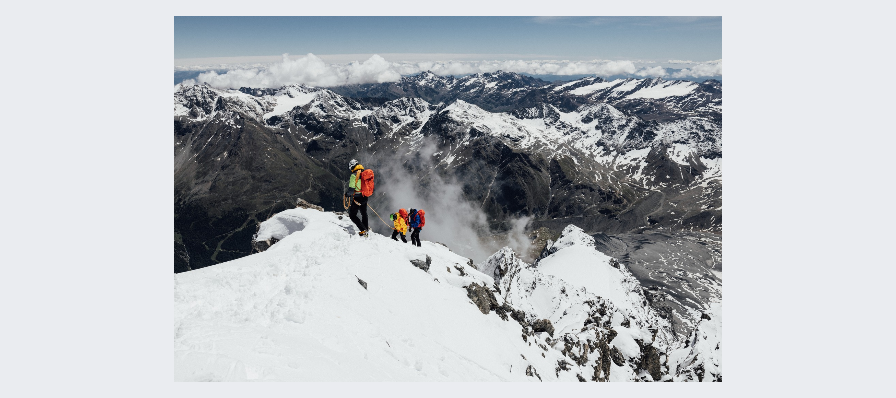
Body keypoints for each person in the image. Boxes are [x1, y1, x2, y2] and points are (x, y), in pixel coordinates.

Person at [346, 159, 369, 236]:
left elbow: (351, 189)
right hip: (365, 196)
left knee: (352, 215)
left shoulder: (354, 175)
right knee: (364, 213)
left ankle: (363, 230)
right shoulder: (364, 173)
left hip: (357, 198)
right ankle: (366, 228)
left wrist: (347, 194)